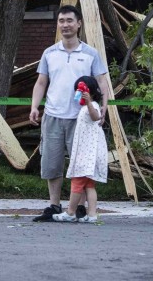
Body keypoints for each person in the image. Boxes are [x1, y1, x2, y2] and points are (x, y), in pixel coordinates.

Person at [29, 5, 111, 222]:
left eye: (69, 21)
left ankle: (81, 208)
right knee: (52, 163)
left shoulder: (90, 54)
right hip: (53, 115)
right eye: (61, 21)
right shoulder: (49, 53)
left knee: (81, 164)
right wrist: (34, 106)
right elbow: (41, 82)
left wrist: (104, 105)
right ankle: (54, 205)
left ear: (79, 23)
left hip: (82, 119)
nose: (65, 25)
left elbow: (102, 81)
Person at [53, 75, 108, 223]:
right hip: (88, 152)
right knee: (89, 185)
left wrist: (89, 102)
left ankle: (70, 212)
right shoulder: (84, 107)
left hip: (88, 154)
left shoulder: (93, 105)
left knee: (77, 182)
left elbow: (96, 117)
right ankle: (92, 215)